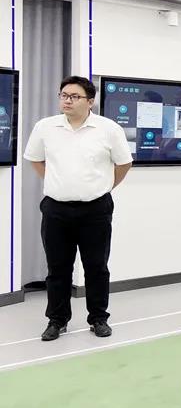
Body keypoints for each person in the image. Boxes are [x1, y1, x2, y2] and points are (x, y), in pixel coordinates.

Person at [24, 76, 132, 341]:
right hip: (56, 209)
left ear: (90, 101)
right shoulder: (45, 127)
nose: (67, 100)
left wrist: (103, 187)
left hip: (96, 210)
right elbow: (35, 159)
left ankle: (98, 318)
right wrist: (56, 182)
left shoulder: (108, 129)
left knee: (96, 267)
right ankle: (57, 320)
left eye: (74, 96)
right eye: (63, 95)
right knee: (57, 268)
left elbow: (124, 164)